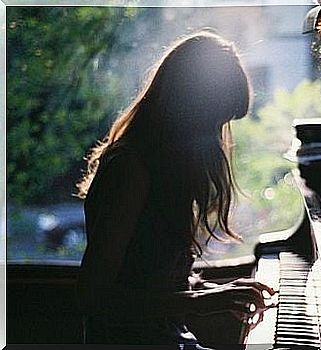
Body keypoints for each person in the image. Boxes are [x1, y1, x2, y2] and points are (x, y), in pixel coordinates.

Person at [76, 30, 275, 348]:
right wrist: (200, 303)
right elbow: (93, 298)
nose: (217, 135)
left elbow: (154, 278)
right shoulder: (130, 169)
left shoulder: (163, 167)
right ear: (187, 108)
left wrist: (214, 291)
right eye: (213, 120)